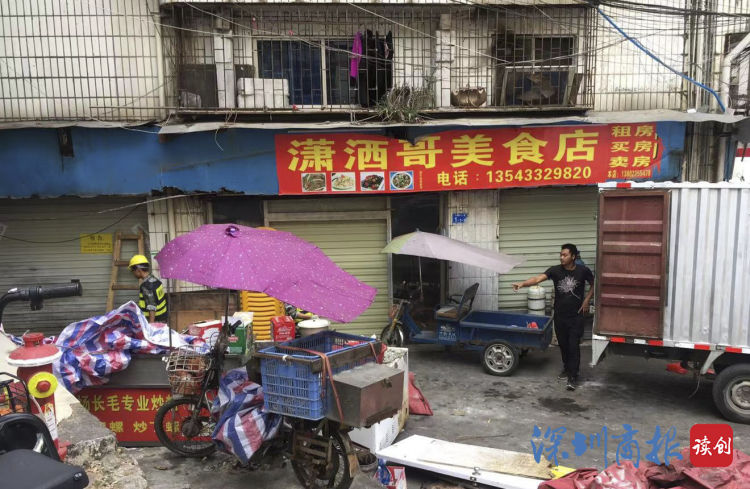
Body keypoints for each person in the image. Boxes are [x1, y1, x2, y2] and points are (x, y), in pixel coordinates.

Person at [512, 243, 594, 391]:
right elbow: (537, 279)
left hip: (576, 316)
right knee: (563, 344)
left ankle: (573, 376)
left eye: (565, 255)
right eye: (560, 255)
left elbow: (595, 284)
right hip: (560, 315)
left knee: (573, 346)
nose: (561, 257)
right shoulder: (555, 270)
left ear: (573, 256)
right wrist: (522, 284)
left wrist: (587, 300)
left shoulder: (583, 271)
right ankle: (567, 368)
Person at [129, 254, 168, 323]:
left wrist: (151, 325)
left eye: (133, 271)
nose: (133, 274)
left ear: (138, 270)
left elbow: (152, 307)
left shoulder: (147, 286)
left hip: (155, 322)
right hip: (163, 318)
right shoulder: (155, 280)